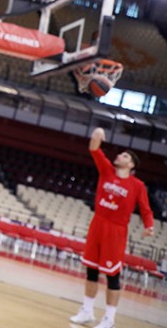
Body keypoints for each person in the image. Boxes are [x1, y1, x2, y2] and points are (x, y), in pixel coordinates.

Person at [69, 127, 154, 328]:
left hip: (116, 230)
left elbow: (145, 209)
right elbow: (94, 149)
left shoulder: (137, 185)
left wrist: (149, 226)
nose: (119, 156)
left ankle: (109, 319)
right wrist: (97, 133)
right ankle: (87, 311)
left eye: (124, 156)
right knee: (91, 270)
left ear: (131, 165)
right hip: (98, 224)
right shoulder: (106, 170)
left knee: (112, 275)